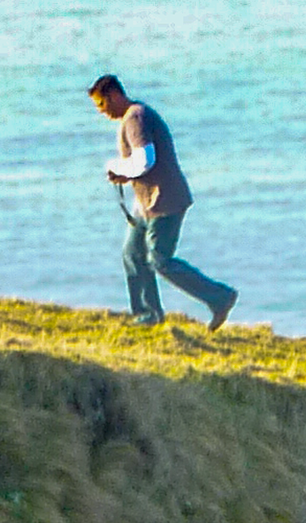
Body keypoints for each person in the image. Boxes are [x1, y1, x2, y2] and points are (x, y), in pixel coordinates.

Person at [87, 76, 238, 331]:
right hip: (146, 203)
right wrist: (126, 176)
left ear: (114, 95)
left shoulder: (135, 117)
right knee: (133, 254)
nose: (101, 111)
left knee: (160, 260)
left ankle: (220, 297)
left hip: (165, 201)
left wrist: (118, 167)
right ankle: (148, 315)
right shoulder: (134, 116)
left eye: (102, 104)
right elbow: (145, 165)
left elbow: (145, 160)